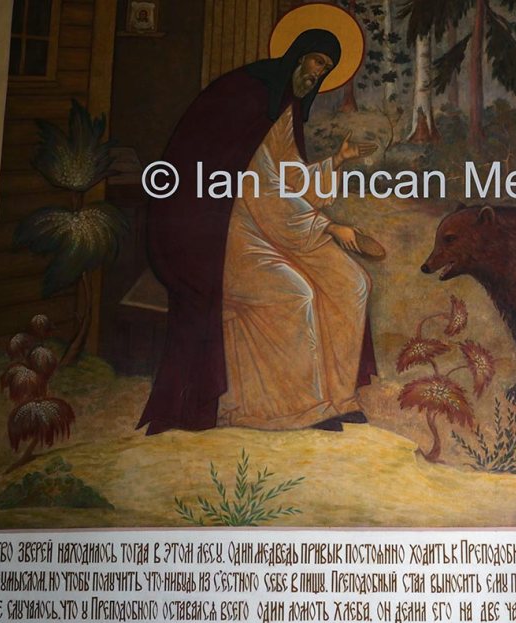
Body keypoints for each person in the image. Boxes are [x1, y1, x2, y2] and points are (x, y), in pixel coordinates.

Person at [138, 27, 377, 435]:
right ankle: (286, 409)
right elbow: (263, 191)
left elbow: (289, 180)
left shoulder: (282, 105)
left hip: (266, 225)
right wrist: (330, 227)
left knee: (351, 281)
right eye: (318, 62)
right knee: (294, 293)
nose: (318, 74)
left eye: (327, 69)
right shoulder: (247, 95)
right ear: (299, 56)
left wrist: (337, 160)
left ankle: (337, 397)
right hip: (220, 231)